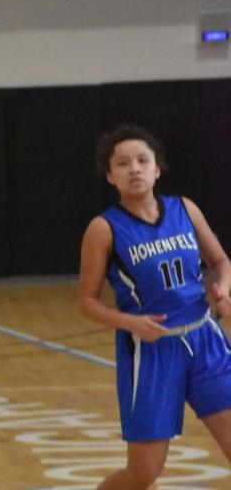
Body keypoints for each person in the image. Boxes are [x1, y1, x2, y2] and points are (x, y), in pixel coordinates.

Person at [76, 124, 231, 489]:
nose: (134, 169)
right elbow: (85, 302)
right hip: (151, 353)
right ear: (110, 176)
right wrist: (130, 322)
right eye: (123, 163)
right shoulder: (104, 228)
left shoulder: (184, 209)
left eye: (142, 160)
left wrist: (223, 287)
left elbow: (221, 261)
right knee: (144, 474)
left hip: (205, 341)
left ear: (157, 168)